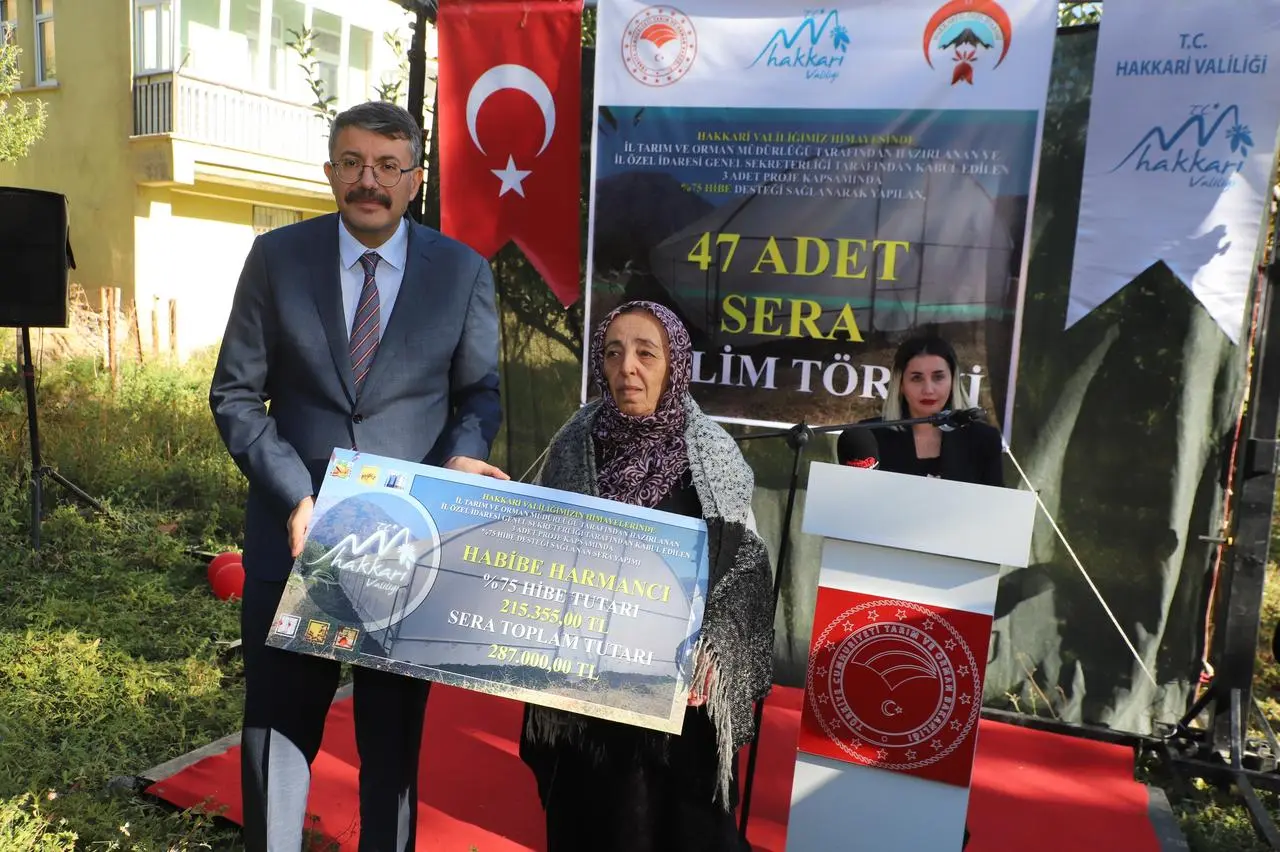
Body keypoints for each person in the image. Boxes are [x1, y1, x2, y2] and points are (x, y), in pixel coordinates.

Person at [209, 100, 507, 852]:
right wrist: (294, 493)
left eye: (386, 166)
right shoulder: (277, 260)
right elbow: (236, 395)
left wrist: (461, 459)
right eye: (352, 163)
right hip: (295, 536)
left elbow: (479, 395)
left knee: (392, 746)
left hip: (408, 548)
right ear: (330, 170)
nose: (367, 181)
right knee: (276, 737)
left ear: (415, 179)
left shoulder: (462, 273)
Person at [518, 301, 775, 852]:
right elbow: (536, 544)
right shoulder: (572, 445)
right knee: (597, 826)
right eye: (613, 353)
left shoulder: (713, 454)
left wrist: (716, 649)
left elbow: (747, 566)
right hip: (588, 701)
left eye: (645, 353)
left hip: (681, 706)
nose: (627, 367)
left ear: (674, 364)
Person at [865, 334, 1004, 487]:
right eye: (917, 378)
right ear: (901, 384)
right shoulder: (870, 437)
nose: (928, 390)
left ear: (953, 381)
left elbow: (994, 500)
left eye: (938, 377)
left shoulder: (984, 439)